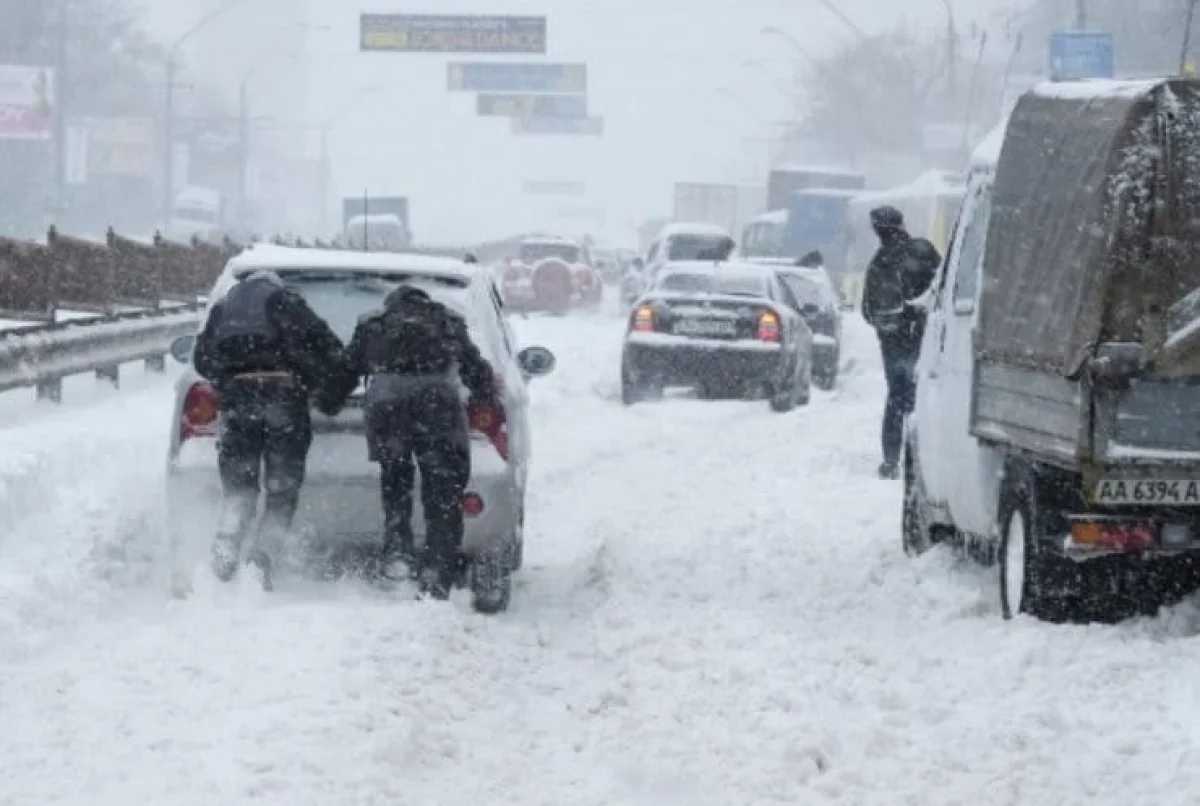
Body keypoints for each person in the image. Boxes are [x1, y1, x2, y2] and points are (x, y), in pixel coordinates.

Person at [319, 284, 497, 600]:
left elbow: (344, 373)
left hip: (387, 408)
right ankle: (437, 571)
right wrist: (486, 392)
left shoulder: (373, 325)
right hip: (438, 408)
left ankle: (398, 553)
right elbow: (476, 372)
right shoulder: (448, 321)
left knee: (396, 481)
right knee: (442, 491)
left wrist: (327, 402)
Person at [193, 269, 344, 589]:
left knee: (239, 488)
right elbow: (329, 347)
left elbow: (201, 360)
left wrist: (230, 378)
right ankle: (261, 562)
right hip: (284, 401)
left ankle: (225, 548)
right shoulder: (288, 302)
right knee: (281, 491)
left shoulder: (224, 306)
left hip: (236, 401)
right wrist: (316, 383)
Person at [860, 205, 941, 480]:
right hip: (923, 337)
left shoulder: (877, 262)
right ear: (901, 224)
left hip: (893, 342)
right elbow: (944, 287)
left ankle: (891, 460)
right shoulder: (922, 251)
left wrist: (889, 330)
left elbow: (867, 312)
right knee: (924, 397)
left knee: (896, 398)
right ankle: (925, 461)